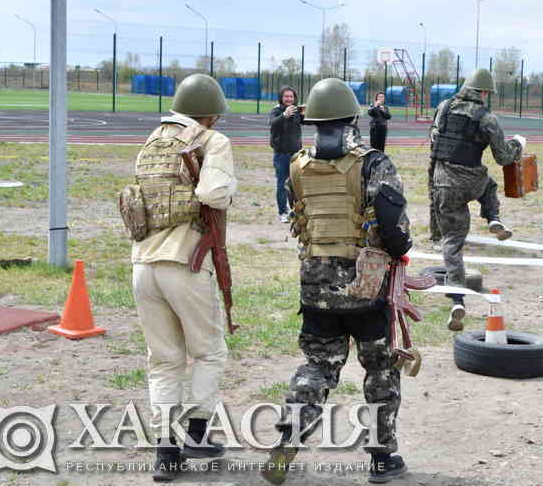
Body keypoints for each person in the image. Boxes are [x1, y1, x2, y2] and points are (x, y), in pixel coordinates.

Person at [265, 78, 412, 485]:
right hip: (366, 289)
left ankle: (288, 439)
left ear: (312, 120)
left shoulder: (297, 164)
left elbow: (299, 216)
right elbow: (395, 231)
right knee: (380, 368)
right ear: (352, 117)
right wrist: (401, 247)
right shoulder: (374, 163)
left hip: (315, 287)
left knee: (317, 367)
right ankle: (382, 457)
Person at [128, 74, 237, 482]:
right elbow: (215, 195)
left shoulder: (153, 140)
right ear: (211, 114)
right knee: (208, 352)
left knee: (163, 361)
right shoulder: (211, 142)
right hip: (186, 262)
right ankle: (196, 433)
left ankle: (166, 454)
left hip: (143, 264)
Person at [430, 68, 524, 331]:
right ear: (483, 92)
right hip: (472, 179)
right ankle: (493, 218)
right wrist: (518, 145)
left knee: (452, 242)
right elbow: (503, 157)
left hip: (443, 181)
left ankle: (457, 298)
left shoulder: (444, 107)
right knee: (489, 185)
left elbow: (434, 140)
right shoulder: (487, 118)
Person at [268, 87, 303, 223]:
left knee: (296, 183)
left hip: (296, 154)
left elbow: (308, 121)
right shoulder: (276, 111)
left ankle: (295, 210)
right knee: (282, 184)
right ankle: (283, 212)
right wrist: (284, 115)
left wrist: (308, 112)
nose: (289, 99)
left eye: (291, 97)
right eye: (286, 97)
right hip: (281, 154)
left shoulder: (295, 111)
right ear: (281, 98)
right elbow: (272, 124)